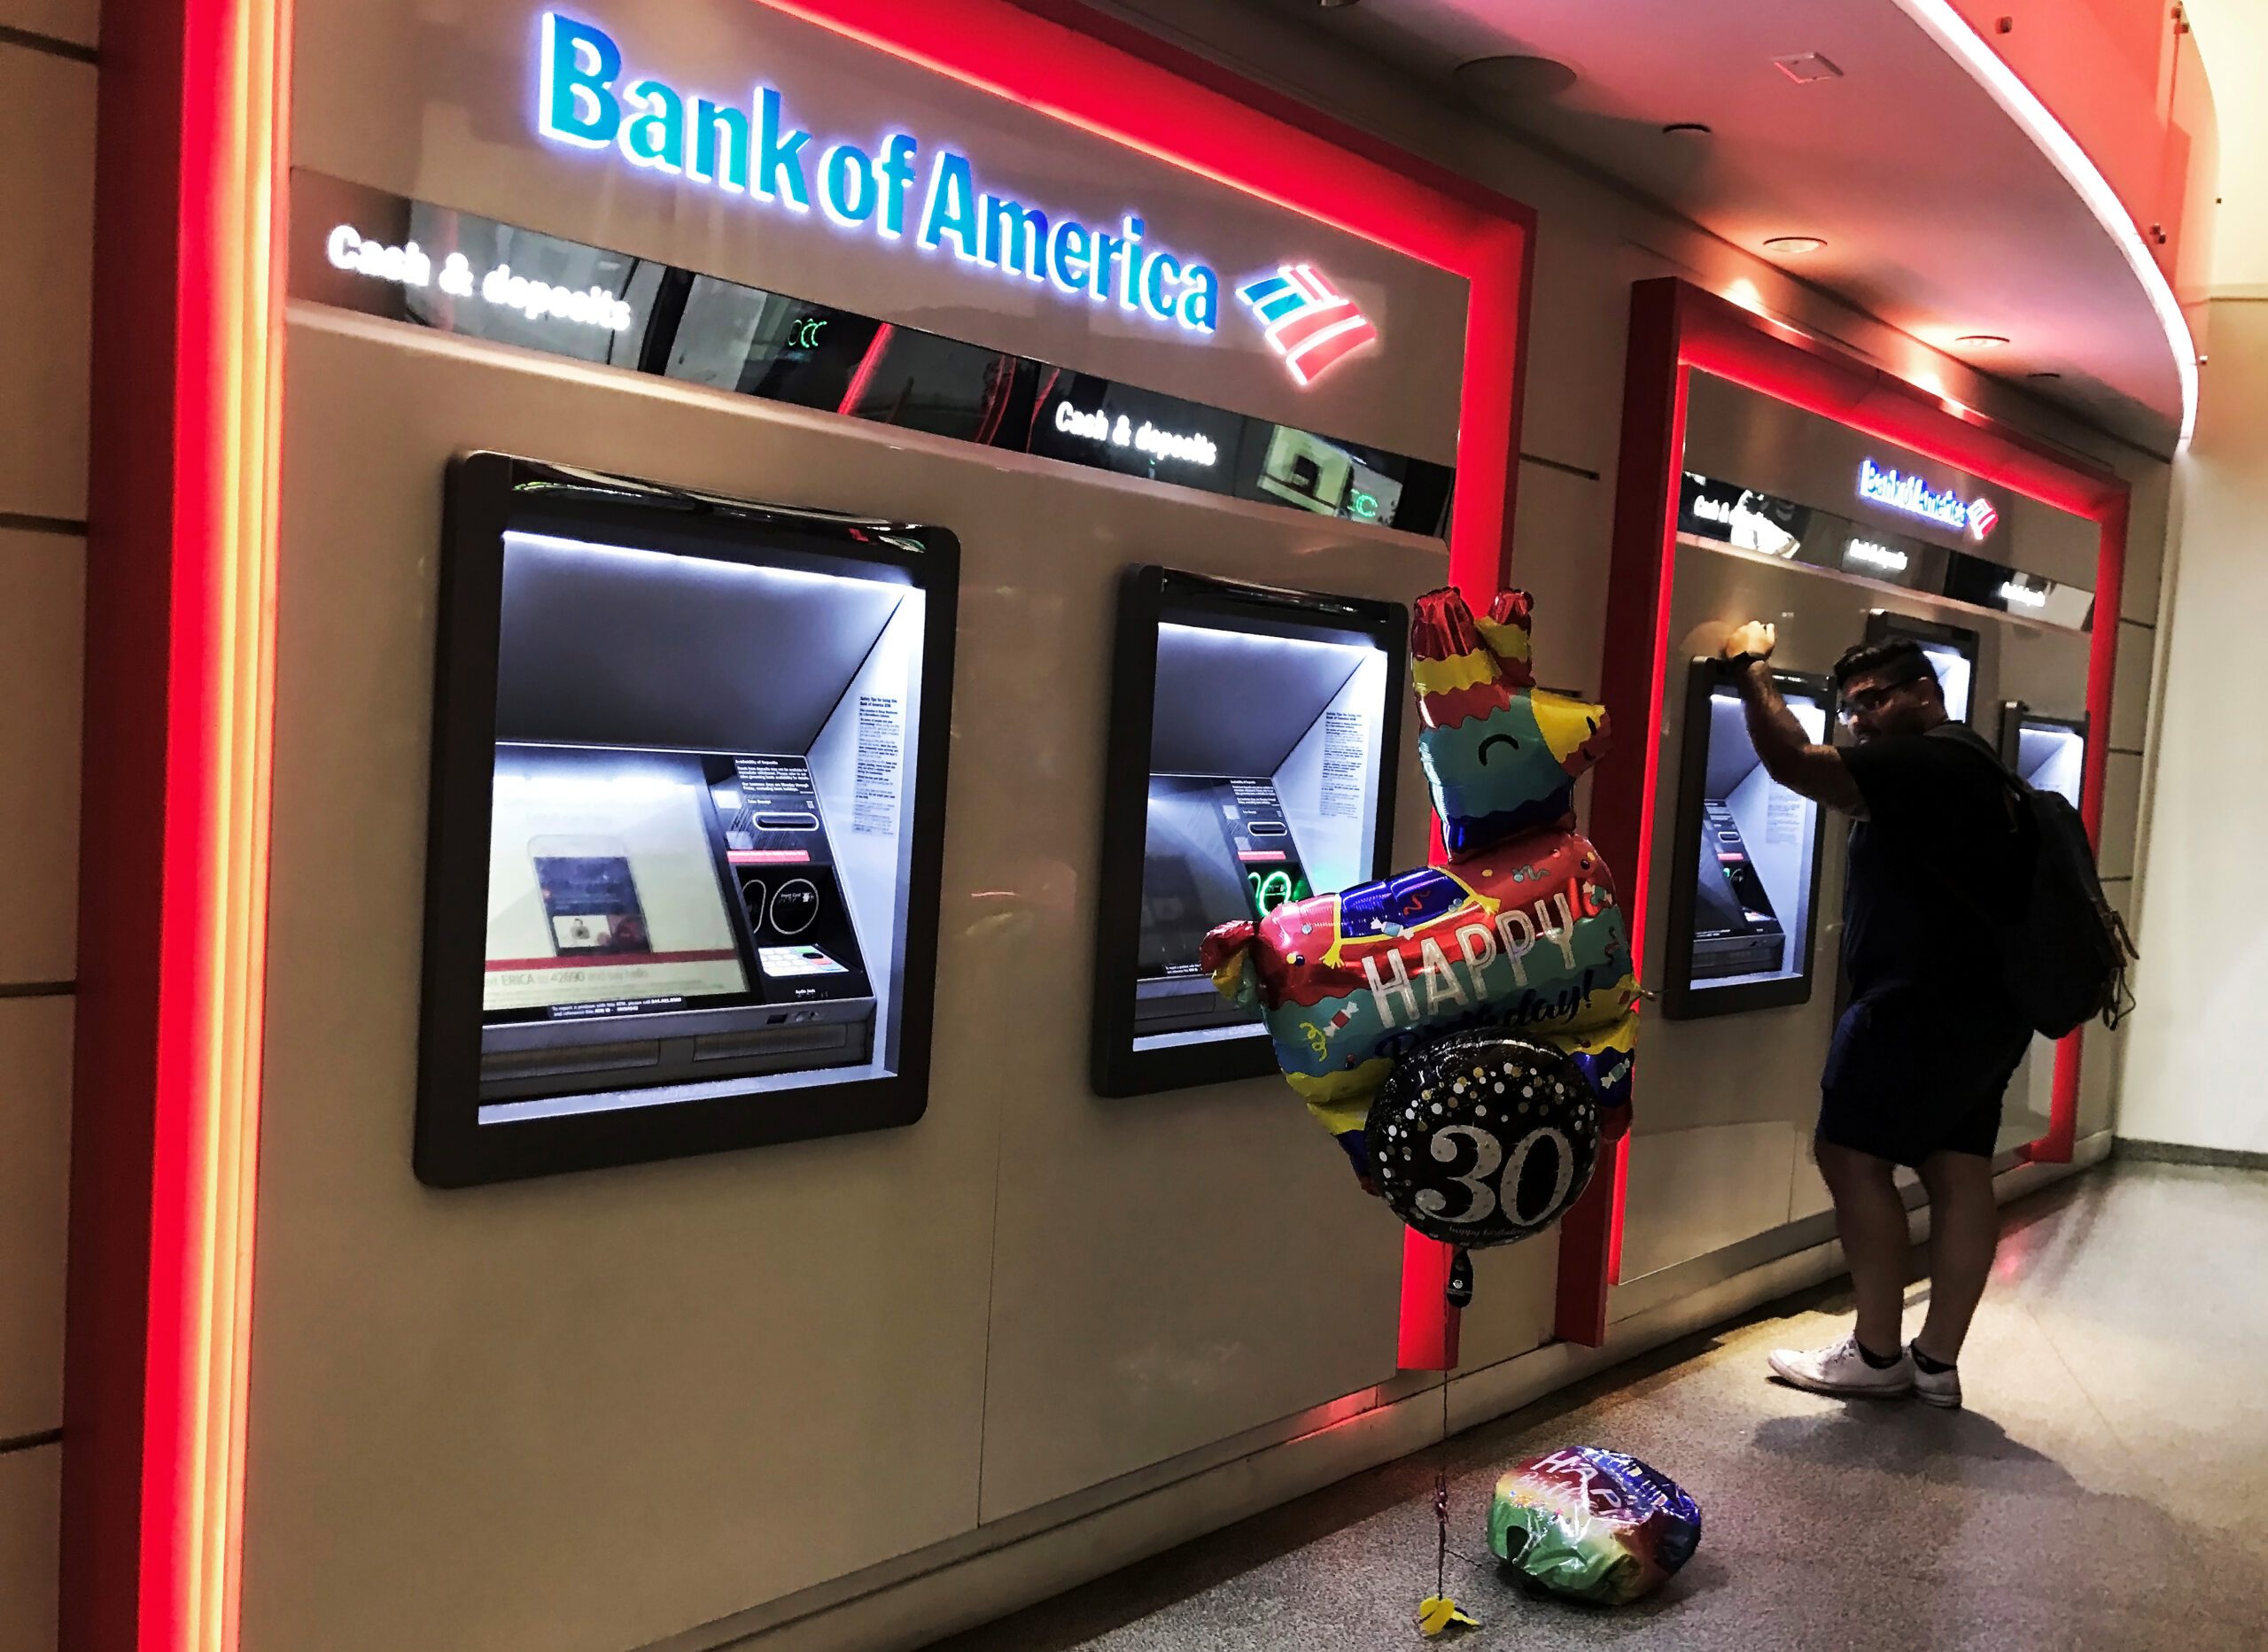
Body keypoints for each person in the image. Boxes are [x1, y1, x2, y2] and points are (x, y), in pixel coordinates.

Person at [1720, 621, 2031, 1410]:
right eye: (1850, 706)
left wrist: (1749, 668)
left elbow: (1795, 764)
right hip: (1989, 1009)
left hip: (1911, 1004)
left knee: (1850, 1156)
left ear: (1926, 692)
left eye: (1874, 700)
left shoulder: (1922, 760)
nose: (1859, 718)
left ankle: (1877, 1351)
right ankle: (1936, 1363)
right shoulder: (1979, 763)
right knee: (1958, 1170)